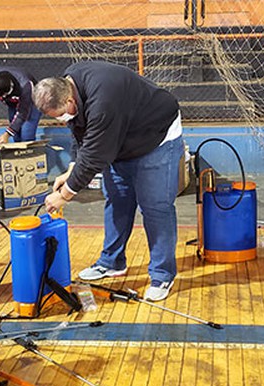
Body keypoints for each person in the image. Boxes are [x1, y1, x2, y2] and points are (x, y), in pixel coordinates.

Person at [33, 60, 184, 302]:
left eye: (61, 114)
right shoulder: (69, 84)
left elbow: (94, 157)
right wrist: (72, 166)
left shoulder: (103, 101)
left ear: (70, 101)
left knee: (155, 208)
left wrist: (63, 196)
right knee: (117, 200)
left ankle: (162, 274)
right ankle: (112, 262)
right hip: (122, 138)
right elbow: (80, 131)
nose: (63, 119)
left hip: (156, 137)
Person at [0, 66, 42, 144]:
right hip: (13, 104)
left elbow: (22, 114)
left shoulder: (25, 85)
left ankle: (29, 155)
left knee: (26, 135)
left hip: (31, 102)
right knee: (16, 135)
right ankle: (18, 154)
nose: (3, 98)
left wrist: (6, 134)